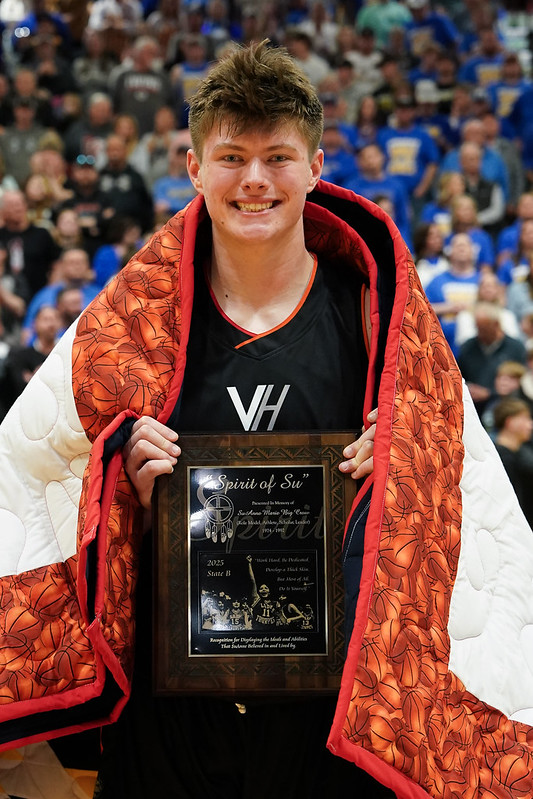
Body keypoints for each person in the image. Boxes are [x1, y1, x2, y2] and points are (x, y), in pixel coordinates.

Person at [0, 40, 532, 799]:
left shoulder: (380, 324)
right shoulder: (128, 324)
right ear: (193, 167)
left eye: (278, 157)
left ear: (316, 168)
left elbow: (464, 509)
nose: (254, 180)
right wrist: (125, 496)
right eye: (231, 157)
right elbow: (35, 480)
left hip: (322, 723)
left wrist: (404, 475)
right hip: (169, 718)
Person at [457, 301, 527, 415]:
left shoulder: (516, 348)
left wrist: (490, 393)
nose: (480, 333)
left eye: (484, 328)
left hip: (506, 409)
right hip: (472, 409)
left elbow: (523, 384)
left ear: (496, 324)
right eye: (478, 328)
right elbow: (458, 377)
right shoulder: (468, 347)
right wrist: (468, 389)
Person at [493, 397, 533, 528]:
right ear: (510, 422)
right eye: (526, 419)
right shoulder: (501, 458)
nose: (530, 425)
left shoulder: (520, 454)